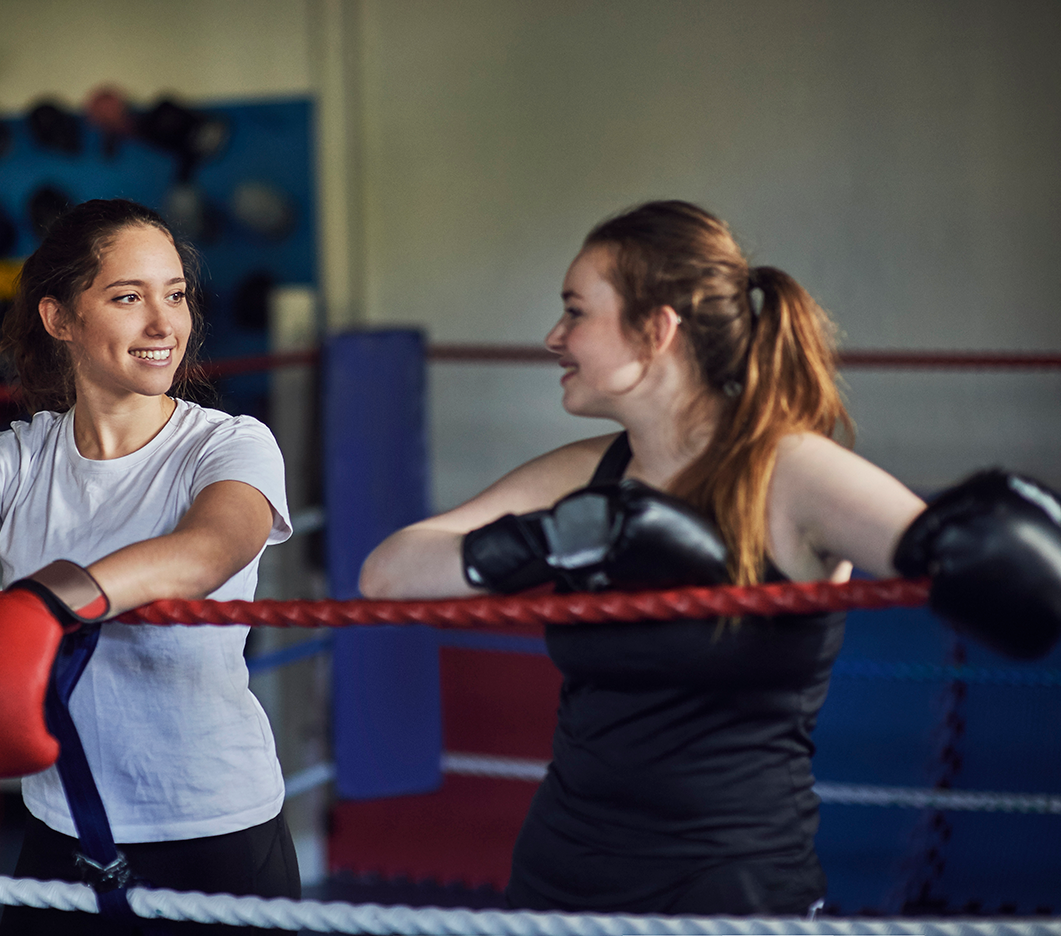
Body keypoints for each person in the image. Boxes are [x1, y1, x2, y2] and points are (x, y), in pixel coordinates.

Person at [359, 200, 1061, 915]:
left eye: (576, 312)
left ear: (657, 329)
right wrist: (554, 538)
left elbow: (992, 565)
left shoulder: (789, 472)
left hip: (729, 890)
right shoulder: (589, 476)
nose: (554, 336)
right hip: (561, 879)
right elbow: (388, 575)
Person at [0, 199, 300, 935]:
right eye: (128, 297)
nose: (165, 325)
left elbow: (208, 552)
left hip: (212, 828)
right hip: (63, 823)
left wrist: (48, 603)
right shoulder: (22, 455)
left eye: (176, 295)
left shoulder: (228, 446)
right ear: (60, 319)